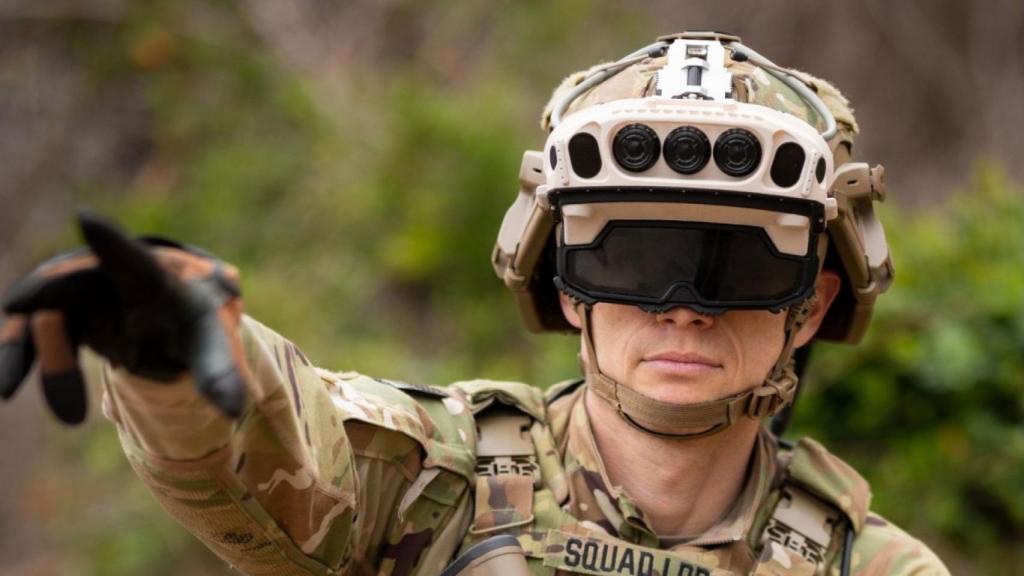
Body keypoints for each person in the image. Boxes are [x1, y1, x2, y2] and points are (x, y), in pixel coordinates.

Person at [0, 32, 949, 575]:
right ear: (570, 288)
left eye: (739, 266)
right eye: (634, 259)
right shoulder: (440, 483)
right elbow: (285, 441)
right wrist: (174, 354)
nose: (684, 308)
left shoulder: (871, 569)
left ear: (812, 306)